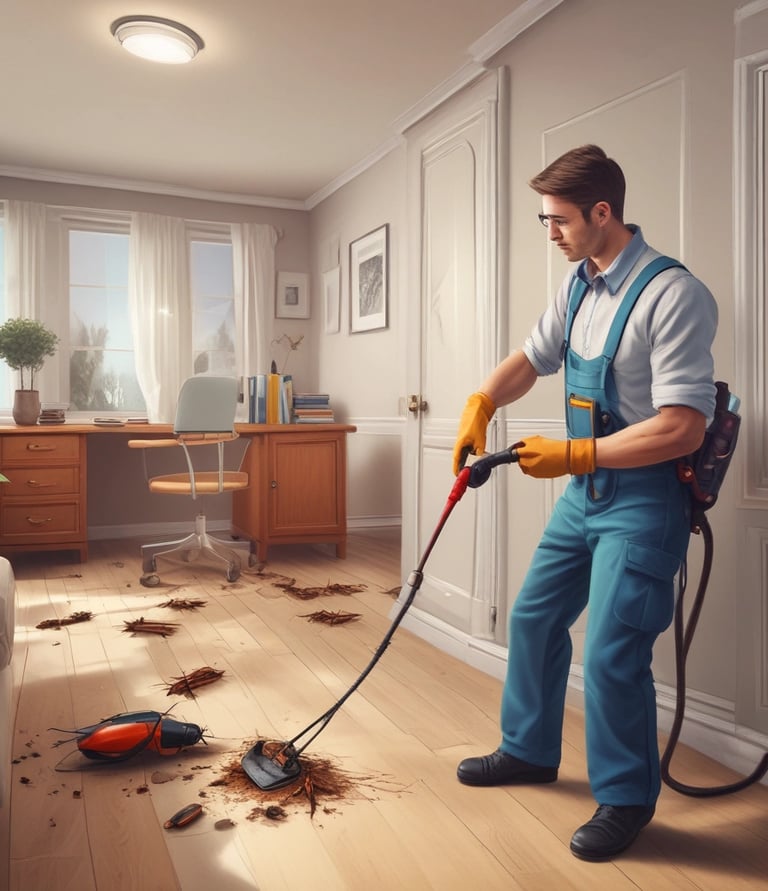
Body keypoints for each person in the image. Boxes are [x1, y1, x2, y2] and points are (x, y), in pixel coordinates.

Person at [452, 144, 717, 861]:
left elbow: (683, 426)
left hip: (644, 500)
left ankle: (626, 798)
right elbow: (532, 359)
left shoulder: (673, 295)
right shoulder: (578, 287)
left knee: (610, 652)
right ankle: (529, 749)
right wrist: (482, 402)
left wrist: (576, 454)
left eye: (559, 220)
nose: (550, 233)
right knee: (534, 616)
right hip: (584, 495)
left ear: (603, 212)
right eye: (544, 219)